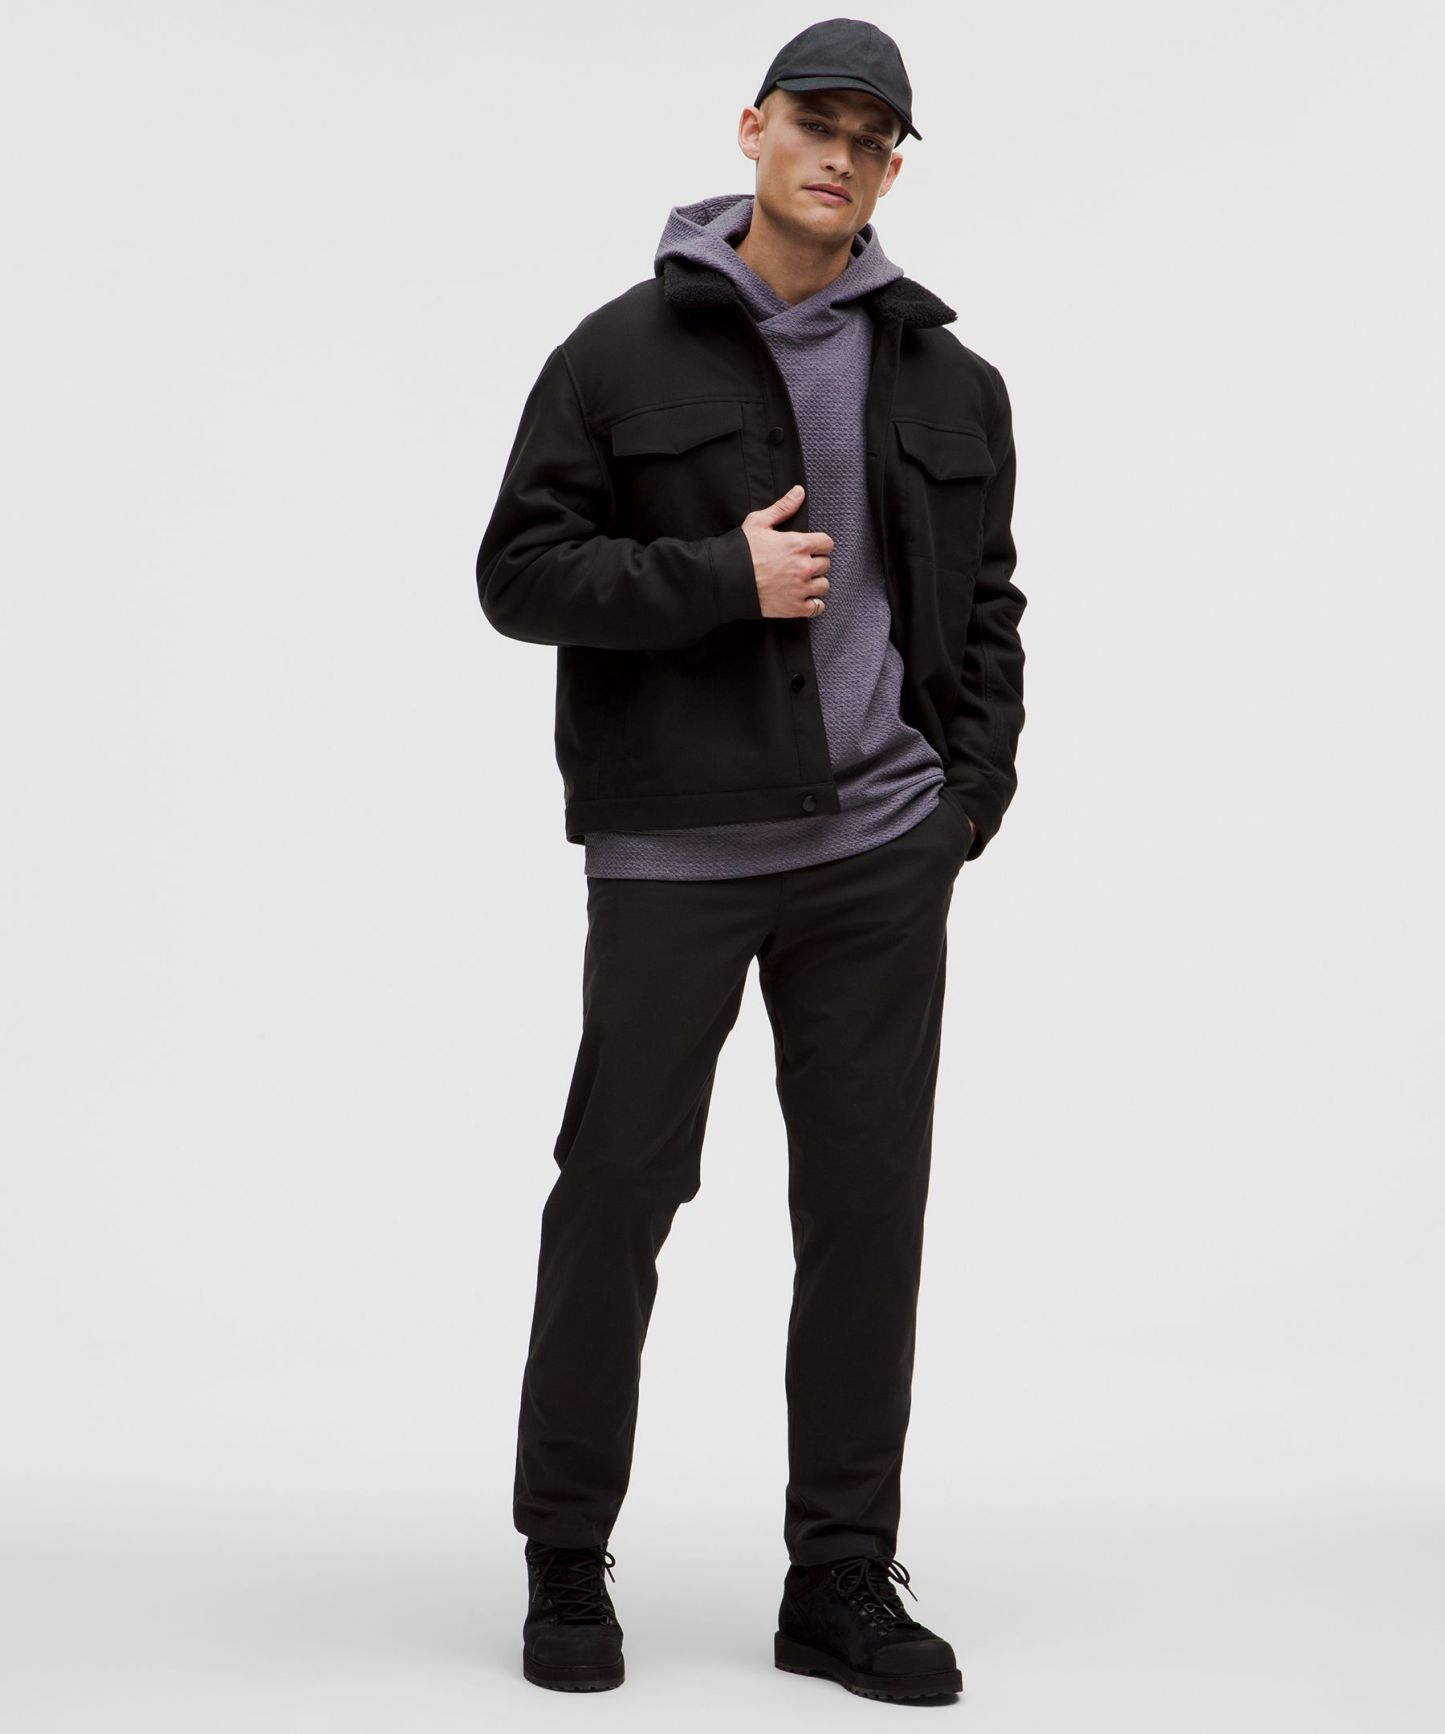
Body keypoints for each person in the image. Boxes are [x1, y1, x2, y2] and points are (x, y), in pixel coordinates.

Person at [475, 17, 1025, 1701]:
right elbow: (518, 575)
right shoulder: (614, 350)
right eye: (814, 122)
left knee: (865, 1213)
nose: (838, 155)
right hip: (674, 849)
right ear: (752, 129)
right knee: (616, 1192)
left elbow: (986, 607)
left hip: (878, 853)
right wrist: (718, 576)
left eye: (872, 137)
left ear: (891, 168)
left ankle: (838, 1575)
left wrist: (961, 802)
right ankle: (564, 1551)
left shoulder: (951, 381)